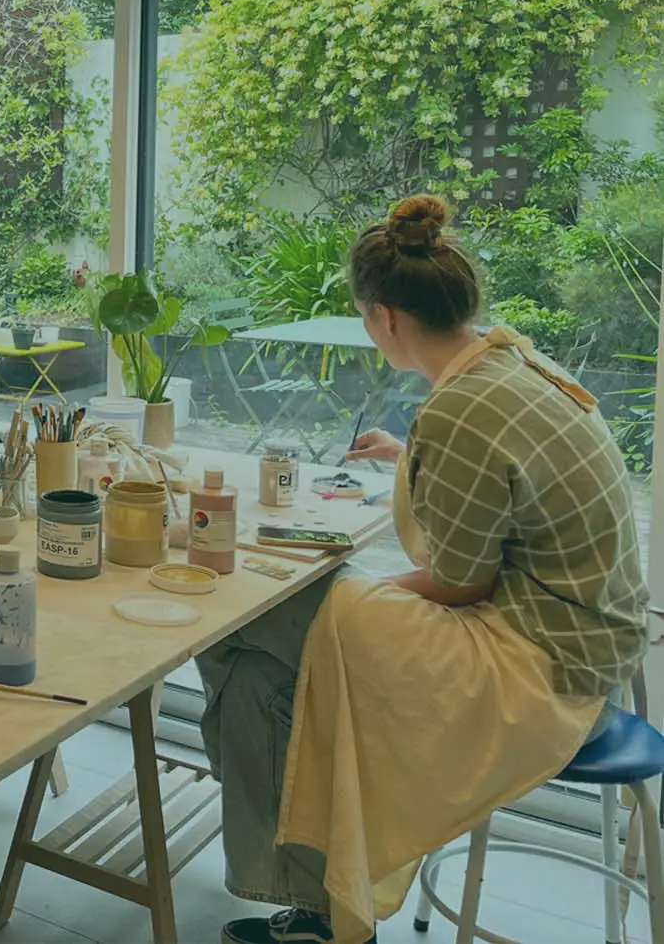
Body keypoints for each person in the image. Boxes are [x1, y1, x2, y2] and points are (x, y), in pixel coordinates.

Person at [198, 194, 648, 944]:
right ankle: (315, 914)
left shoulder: (460, 409)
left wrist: (361, 601)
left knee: (252, 617)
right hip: (596, 641)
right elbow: (507, 488)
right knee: (256, 671)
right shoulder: (513, 361)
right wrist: (412, 457)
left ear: (383, 318)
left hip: (546, 669)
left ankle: (309, 892)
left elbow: (461, 583)